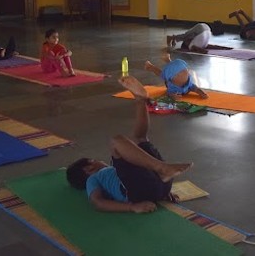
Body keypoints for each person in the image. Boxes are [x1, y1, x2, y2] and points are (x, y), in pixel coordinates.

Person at [66, 75, 192, 213]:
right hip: (138, 192)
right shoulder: (93, 179)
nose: (100, 161)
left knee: (140, 139)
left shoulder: (115, 173)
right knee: (116, 141)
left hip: (156, 186)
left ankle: (140, 99)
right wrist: (131, 207)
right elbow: (98, 202)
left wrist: (162, 192)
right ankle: (161, 168)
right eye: (95, 161)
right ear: (89, 168)